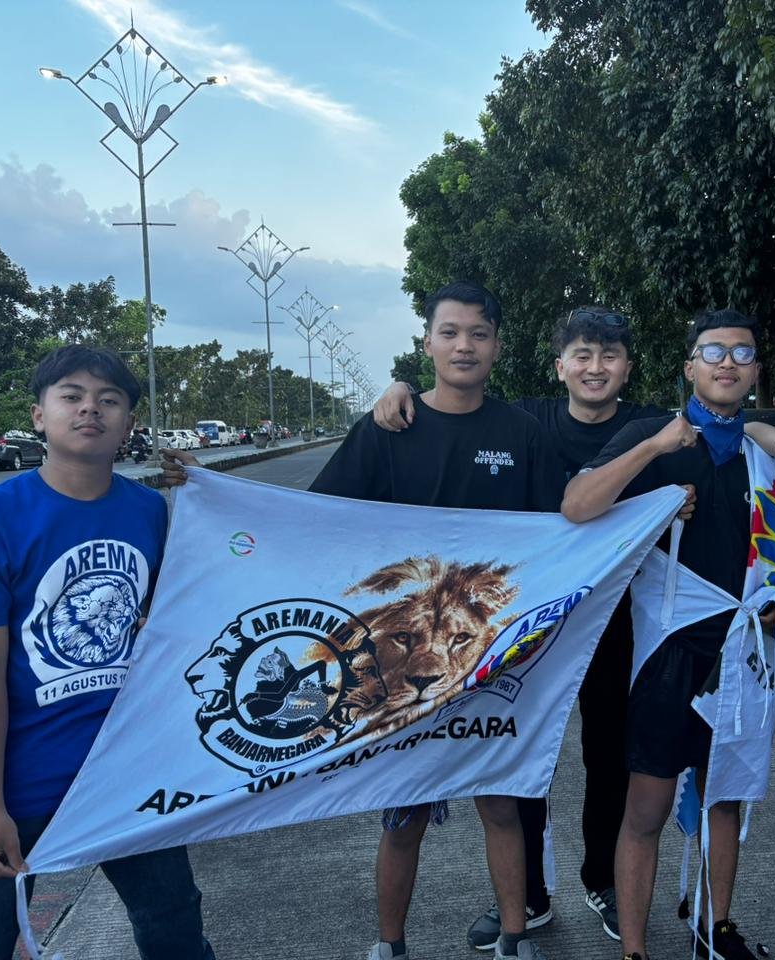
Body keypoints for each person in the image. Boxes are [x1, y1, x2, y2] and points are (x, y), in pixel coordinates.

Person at [371, 307, 775, 950]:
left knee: (614, 761)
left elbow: (726, 415)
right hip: (539, 625)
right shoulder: (531, 421)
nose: (595, 368)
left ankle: (605, 885)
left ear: (629, 369)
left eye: (609, 357)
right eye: (581, 356)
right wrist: (401, 391)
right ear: (559, 366)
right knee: (524, 757)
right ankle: (528, 896)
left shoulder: (656, 423)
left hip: (624, 627)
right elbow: (466, 407)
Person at [0, 345, 213, 960]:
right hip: (19, 779)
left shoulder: (147, 510)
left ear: (129, 422)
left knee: (175, 930)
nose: (90, 410)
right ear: (38, 415)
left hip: (125, 772)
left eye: (109, 400)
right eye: (72, 397)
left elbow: (174, 617)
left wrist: (208, 495)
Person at [315, 281, 563, 960]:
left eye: (478, 334)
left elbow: (562, 531)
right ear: (427, 342)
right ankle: (389, 945)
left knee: (501, 805)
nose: (464, 346)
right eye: (449, 332)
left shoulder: (522, 433)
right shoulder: (389, 426)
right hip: (409, 667)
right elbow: (319, 517)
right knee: (403, 815)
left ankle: (514, 938)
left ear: (497, 346)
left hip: (489, 657)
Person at [562, 308, 775, 960]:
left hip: (741, 652)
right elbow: (577, 505)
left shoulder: (766, 454)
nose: (727, 362)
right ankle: (634, 949)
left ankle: (715, 929)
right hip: (668, 653)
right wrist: (655, 457)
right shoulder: (651, 435)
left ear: (755, 371)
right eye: (712, 351)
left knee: (724, 802)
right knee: (647, 808)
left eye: (742, 353)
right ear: (689, 367)